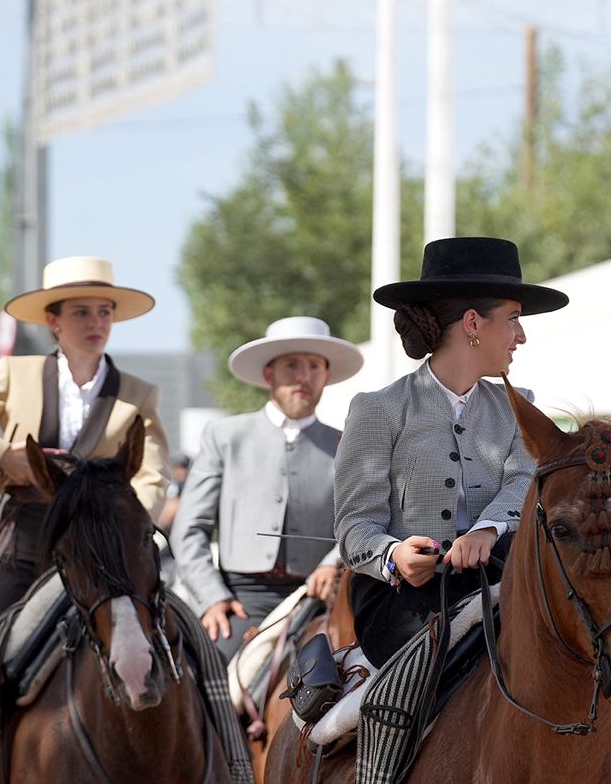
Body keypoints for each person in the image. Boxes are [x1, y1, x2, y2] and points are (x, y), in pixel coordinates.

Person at [0, 255, 170, 784]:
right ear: (53, 321)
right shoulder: (17, 374)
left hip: (106, 544)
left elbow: (153, 475)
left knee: (187, 647)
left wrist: (129, 521)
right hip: (27, 540)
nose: (96, 323)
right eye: (81, 313)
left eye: (104, 312)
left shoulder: (139, 392)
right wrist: (2, 456)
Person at [333, 237, 563, 669]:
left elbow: (524, 481)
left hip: (503, 581)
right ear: (473, 323)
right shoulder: (378, 409)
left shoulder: (521, 405)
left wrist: (487, 530)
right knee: (411, 691)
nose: (522, 336)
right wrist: (392, 556)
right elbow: (354, 525)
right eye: (513, 319)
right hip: (400, 603)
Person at [172, 316, 363, 659]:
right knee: (215, 677)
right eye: (291, 365)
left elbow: (362, 519)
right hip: (242, 599)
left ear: (327, 376)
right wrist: (212, 597)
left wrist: (332, 563)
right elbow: (189, 530)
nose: (304, 376)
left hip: (321, 599)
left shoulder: (346, 445)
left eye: (314, 366)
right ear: (269, 374)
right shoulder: (224, 437)